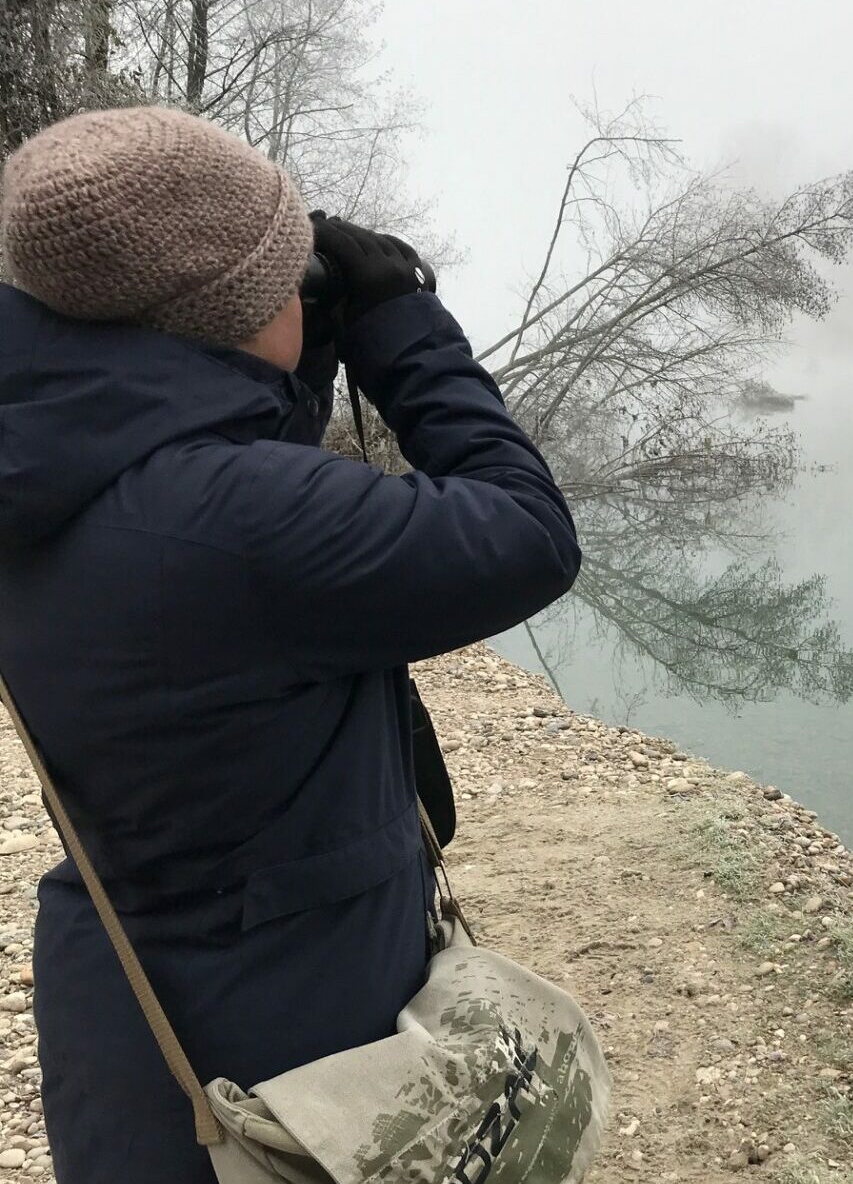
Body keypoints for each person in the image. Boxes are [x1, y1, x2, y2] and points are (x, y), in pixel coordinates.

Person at [0, 106, 581, 1182]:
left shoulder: (50, 463)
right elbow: (530, 535)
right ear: (212, 316)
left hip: (137, 1029)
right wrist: (405, 326)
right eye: (280, 277)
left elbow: (213, 485)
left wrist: (277, 370)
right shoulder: (245, 525)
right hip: (293, 1044)